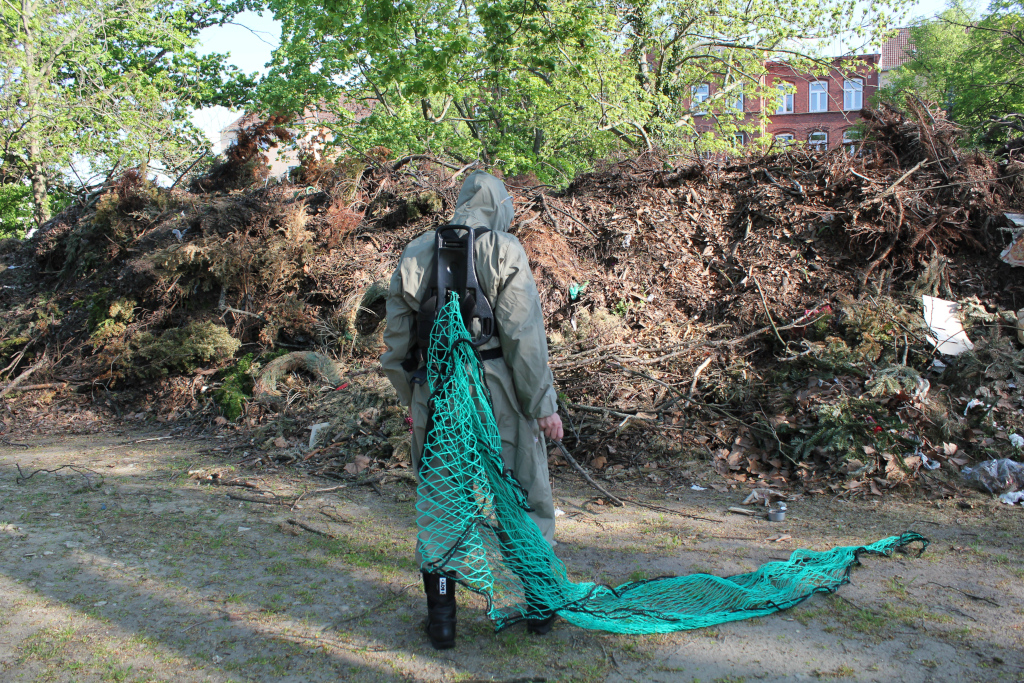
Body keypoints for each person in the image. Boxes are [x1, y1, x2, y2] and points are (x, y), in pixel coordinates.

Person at [380, 171, 564, 649]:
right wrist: (542, 406)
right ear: (499, 205)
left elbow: (397, 341)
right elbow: (524, 338)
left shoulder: (415, 250)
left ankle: (442, 621)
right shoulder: (506, 249)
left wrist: (412, 400)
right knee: (526, 488)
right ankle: (541, 606)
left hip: (437, 392)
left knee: (441, 499)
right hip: (499, 391)